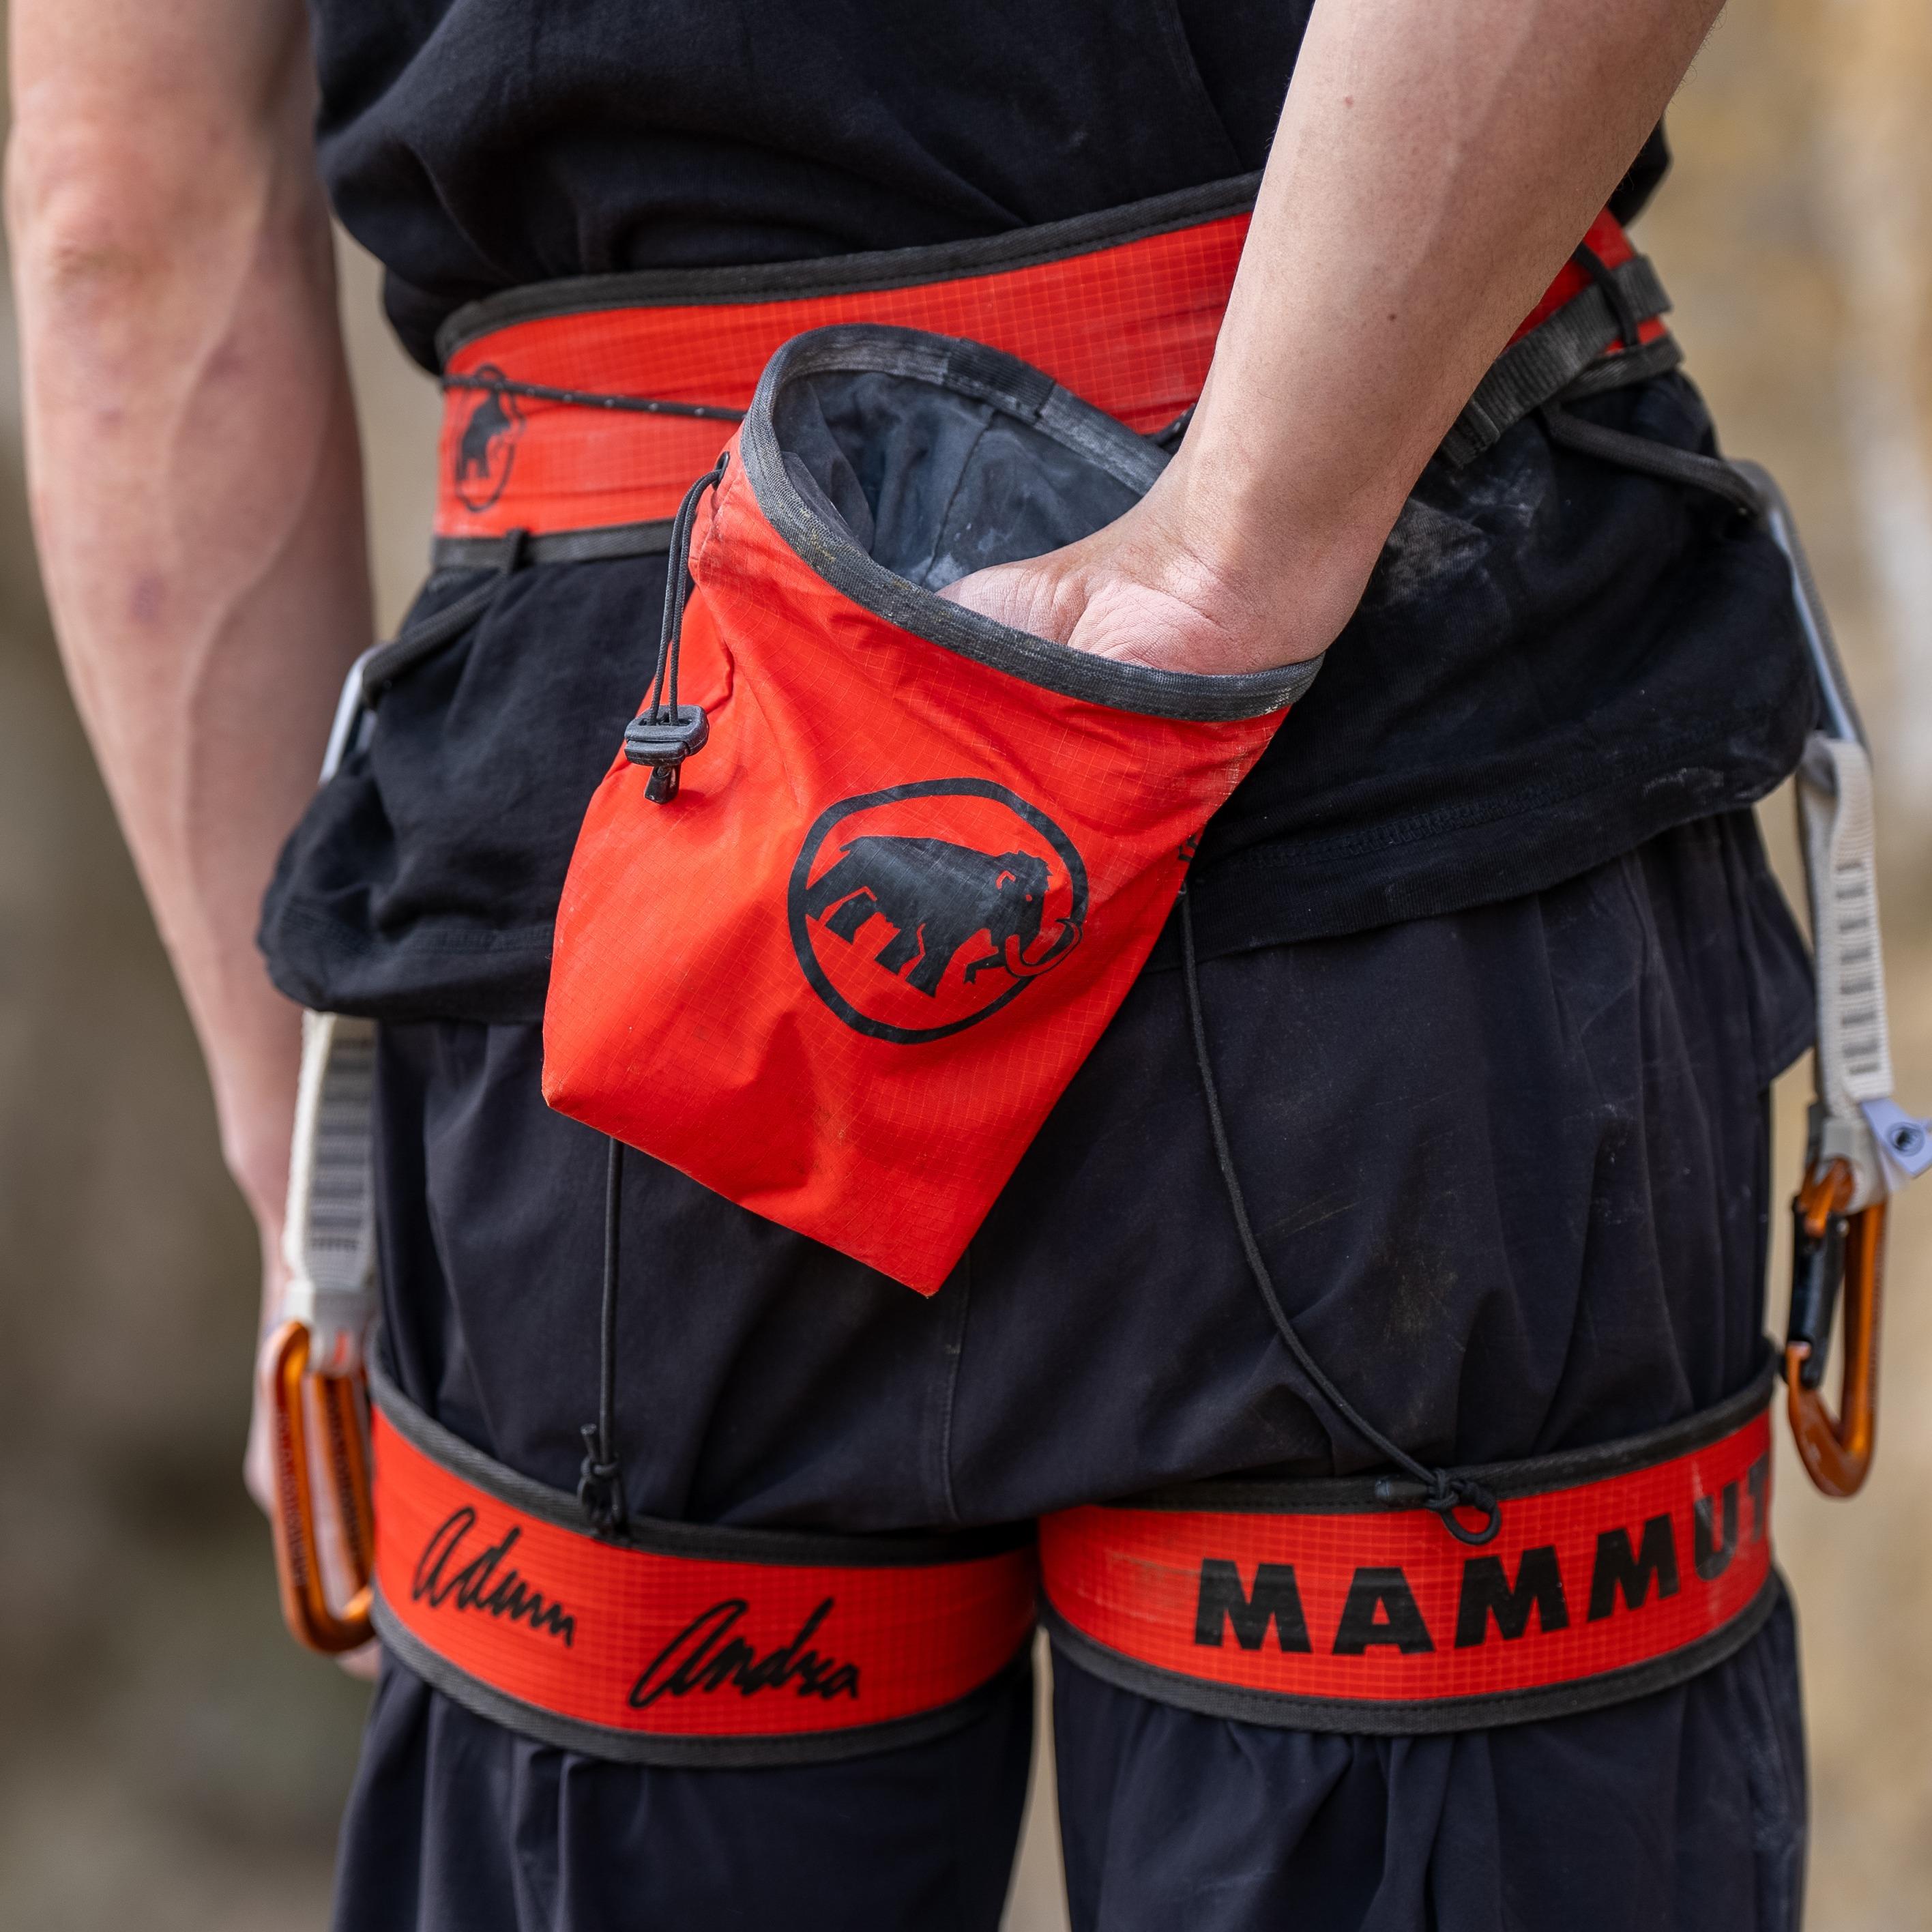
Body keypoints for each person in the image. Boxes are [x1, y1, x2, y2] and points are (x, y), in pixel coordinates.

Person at [9, 1, 1817, 1926]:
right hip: (1405, 770)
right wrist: (1237, 552)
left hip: (643, 868)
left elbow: (127, 216)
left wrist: (301, 1175)